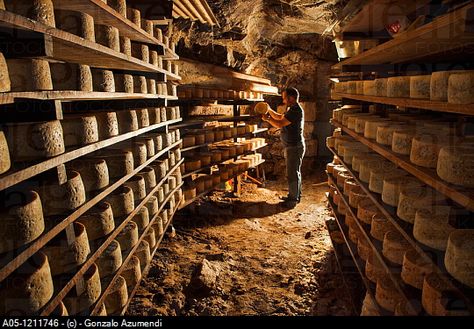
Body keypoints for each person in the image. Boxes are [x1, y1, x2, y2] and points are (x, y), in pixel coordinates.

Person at [262, 87, 305, 208]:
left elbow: (280, 124)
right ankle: (295, 195)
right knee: (295, 172)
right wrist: (269, 110)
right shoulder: (292, 109)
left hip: (294, 146)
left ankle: (293, 199)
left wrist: (267, 119)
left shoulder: (296, 110)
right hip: (293, 146)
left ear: (291, 98)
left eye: (284, 98)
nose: (283, 100)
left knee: (293, 173)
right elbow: (280, 117)